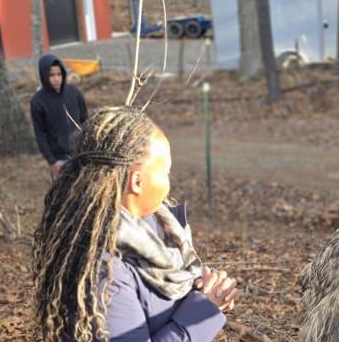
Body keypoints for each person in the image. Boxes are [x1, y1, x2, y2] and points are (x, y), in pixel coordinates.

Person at [32, 106, 239, 341]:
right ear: (137, 182)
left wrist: (206, 289)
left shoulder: (154, 224)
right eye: (166, 172)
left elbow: (164, 285)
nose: (169, 182)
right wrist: (204, 310)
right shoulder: (104, 274)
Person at [30, 53, 88, 179]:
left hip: (80, 154)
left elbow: (85, 122)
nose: (56, 78)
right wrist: (51, 161)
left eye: (59, 74)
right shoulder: (38, 101)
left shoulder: (74, 93)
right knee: (63, 195)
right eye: (51, 75)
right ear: (44, 76)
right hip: (59, 160)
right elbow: (40, 134)